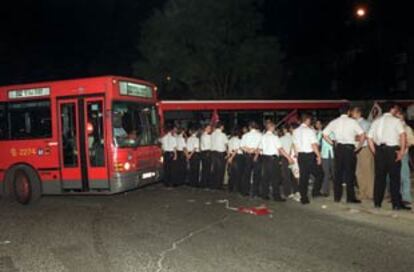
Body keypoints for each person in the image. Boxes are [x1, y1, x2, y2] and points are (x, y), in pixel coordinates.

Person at [367, 102, 410, 210]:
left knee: (379, 178)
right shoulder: (396, 121)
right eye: (395, 109)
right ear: (392, 109)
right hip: (392, 150)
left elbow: (369, 138)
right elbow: (403, 135)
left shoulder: (376, 121)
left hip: (379, 151)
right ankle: (396, 204)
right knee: (394, 178)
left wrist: (374, 152)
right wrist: (401, 151)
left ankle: (377, 202)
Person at [323, 105, 365, 203]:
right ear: (349, 112)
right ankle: (350, 198)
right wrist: (359, 147)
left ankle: (337, 197)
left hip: (338, 148)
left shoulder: (334, 122)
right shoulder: (353, 122)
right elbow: (362, 134)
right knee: (350, 173)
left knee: (338, 173)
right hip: (349, 149)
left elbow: (324, 134)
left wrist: (332, 143)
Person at [293, 113, 323, 204]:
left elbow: (294, 145)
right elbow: (313, 144)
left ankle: (304, 197)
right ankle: (315, 192)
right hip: (309, 155)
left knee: (303, 177)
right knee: (320, 174)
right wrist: (318, 156)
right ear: (307, 120)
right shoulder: (310, 131)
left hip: (301, 155)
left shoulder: (295, 131)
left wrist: (297, 155)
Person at [259, 121, 294, 201]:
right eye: (274, 127)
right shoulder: (275, 137)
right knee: (275, 178)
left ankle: (264, 195)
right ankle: (276, 196)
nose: (275, 128)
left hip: (265, 158)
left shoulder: (263, 137)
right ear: (271, 127)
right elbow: (280, 149)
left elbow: (260, 149)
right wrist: (289, 158)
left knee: (266, 177)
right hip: (273, 159)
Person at [351, 107, 374, 200]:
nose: (351, 115)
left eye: (353, 113)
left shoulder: (365, 123)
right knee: (358, 172)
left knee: (368, 171)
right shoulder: (354, 123)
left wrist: (353, 137)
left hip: (365, 149)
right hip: (356, 149)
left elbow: (364, 137)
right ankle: (362, 192)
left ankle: (370, 193)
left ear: (358, 113)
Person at [396, 110, 414, 205]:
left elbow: (412, 141)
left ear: (403, 117)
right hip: (393, 153)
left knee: (404, 175)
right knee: (395, 176)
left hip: (403, 153)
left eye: (399, 116)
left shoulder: (407, 128)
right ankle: (396, 195)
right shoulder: (393, 127)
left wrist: (406, 145)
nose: (397, 118)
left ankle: (406, 196)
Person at [240, 121, 262, 197]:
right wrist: (255, 152)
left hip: (247, 156)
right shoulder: (260, 135)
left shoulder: (245, 135)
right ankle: (255, 192)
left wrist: (248, 150)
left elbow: (241, 146)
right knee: (256, 175)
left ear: (249, 127)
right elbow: (261, 146)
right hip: (257, 155)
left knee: (246, 174)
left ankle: (245, 192)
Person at [317, 122, 335, 197]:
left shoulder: (333, 132)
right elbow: (317, 144)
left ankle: (336, 188)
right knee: (326, 173)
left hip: (333, 154)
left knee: (335, 173)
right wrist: (318, 155)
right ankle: (325, 190)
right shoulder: (320, 133)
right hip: (324, 155)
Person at [279, 125, 297, 198]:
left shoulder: (281, 139)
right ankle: (296, 190)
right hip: (294, 158)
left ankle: (287, 192)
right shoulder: (293, 138)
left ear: (285, 130)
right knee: (294, 174)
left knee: (286, 176)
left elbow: (280, 150)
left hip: (285, 158)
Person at [210, 122, 229, 189]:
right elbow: (226, 144)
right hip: (220, 154)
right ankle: (219, 185)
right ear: (221, 127)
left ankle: (213, 184)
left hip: (213, 153)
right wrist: (228, 153)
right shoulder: (223, 135)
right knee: (220, 170)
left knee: (214, 169)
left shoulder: (212, 134)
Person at [227, 128, 244, 193]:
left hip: (231, 155)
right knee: (238, 173)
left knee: (231, 173)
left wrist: (229, 157)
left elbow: (229, 149)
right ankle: (237, 188)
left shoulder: (230, 140)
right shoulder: (238, 140)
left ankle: (230, 188)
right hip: (237, 157)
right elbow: (236, 150)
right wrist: (231, 157)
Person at [200, 124, 213, 188]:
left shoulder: (203, 135)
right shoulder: (206, 136)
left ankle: (204, 183)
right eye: (209, 128)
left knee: (205, 169)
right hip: (207, 152)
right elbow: (209, 145)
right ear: (205, 128)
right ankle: (206, 184)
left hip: (204, 153)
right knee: (207, 169)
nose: (210, 129)